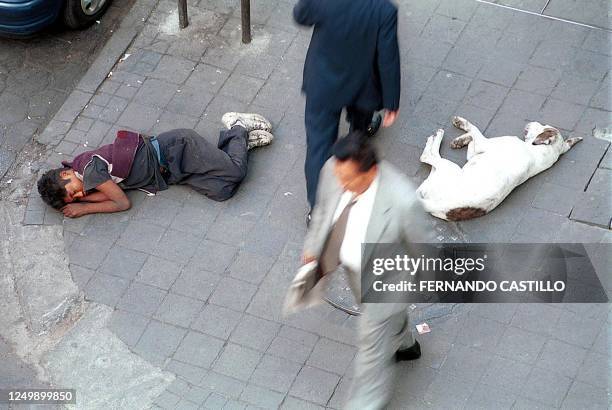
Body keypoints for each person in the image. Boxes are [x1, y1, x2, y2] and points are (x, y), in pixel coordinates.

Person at [301, 131, 433, 409]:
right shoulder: (334, 168)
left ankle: (364, 403)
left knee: (371, 351)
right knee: (388, 319)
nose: (341, 184)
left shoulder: (402, 201)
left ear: (370, 170)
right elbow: (325, 210)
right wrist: (314, 247)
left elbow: (422, 249)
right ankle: (405, 343)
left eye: (349, 180)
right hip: (355, 270)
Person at [37, 113, 273, 218]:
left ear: (67, 173)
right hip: (174, 172)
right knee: (222, 191)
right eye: (76, 198)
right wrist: (82, 200)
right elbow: (105, 195)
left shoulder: (90, 170)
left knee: (235, 172)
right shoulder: (86, 177)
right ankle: (239, 146)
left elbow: (121, 203)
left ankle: (237, 127)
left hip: (178, 148)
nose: (81, 194)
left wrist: (84, 208)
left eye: (73, 191)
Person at [293, 0, 401, 216]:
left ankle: (318, 210)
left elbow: (301, 16)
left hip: (323, 84)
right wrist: (391, 101)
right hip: (363, 86)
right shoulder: (384, 10)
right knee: (360, 128)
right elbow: (388, 57)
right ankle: (358, 140)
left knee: (318, 147)